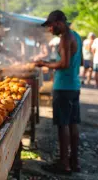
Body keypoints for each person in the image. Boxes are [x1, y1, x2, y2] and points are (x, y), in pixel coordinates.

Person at [35, 10, 82, 175]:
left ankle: (64, 164)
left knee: (63, 125)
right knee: (73, 123)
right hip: (74, 85)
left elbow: (64, 64)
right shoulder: (76, 36)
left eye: (50, 26)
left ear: (58, 22)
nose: (49, 30)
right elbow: (76, 61)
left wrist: (43, 64)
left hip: (63, 87)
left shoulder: (64, 38)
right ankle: (74, 162)